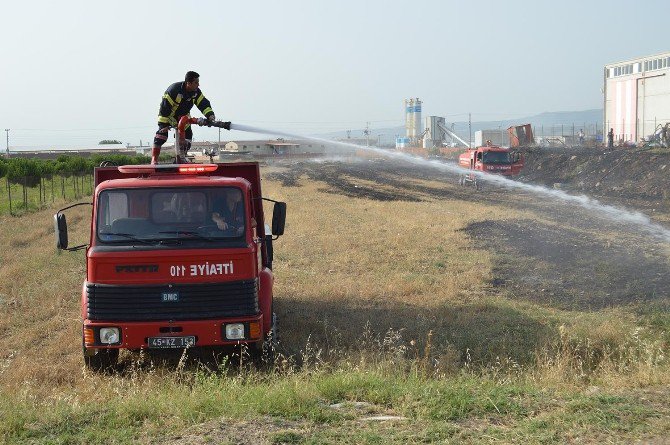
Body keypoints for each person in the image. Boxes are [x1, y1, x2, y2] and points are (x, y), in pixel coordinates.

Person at [152, 71, 216, 164]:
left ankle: (180, 158)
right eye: (196, 82)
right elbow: (164, 107)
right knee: (161, 136)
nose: (198, 85)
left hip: (184, 119)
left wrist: (210, 115)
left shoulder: (196, 92)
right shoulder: (174, 90)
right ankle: (154, 160)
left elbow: (203, 103)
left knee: (188, 137)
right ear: (188, 83)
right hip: (169, 117)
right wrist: (163, 125)